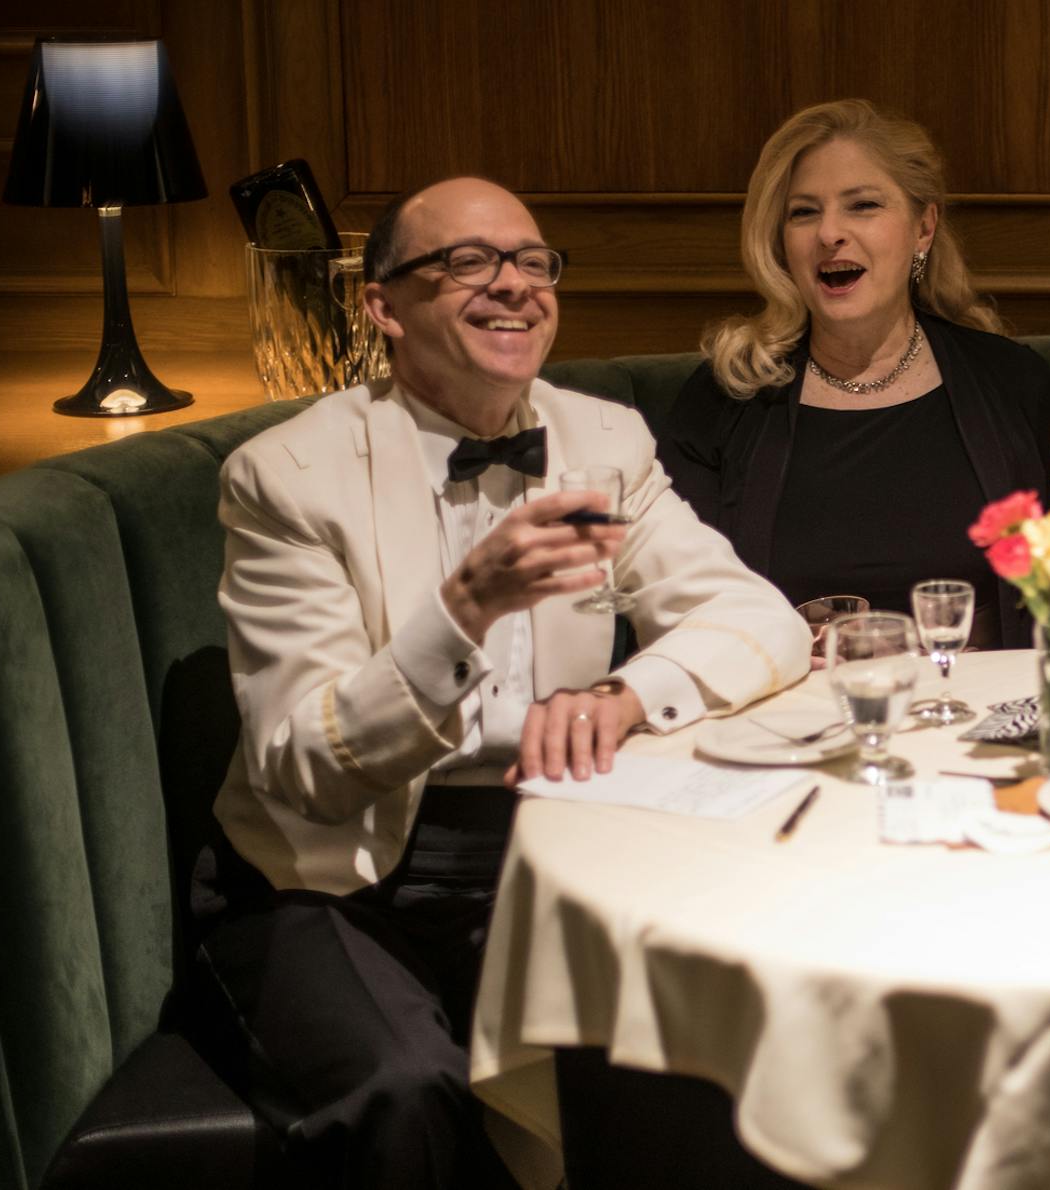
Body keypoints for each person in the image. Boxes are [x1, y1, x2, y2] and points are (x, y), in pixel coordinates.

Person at [193, 177, 811, 1189]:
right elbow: (301, 764)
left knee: (694, 1045)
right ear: (382, 305)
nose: (513, 285)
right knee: (403, 1086)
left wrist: (619, 695)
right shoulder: (286, 476)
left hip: (545, 847)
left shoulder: (602, 443)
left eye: (532, 261)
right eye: (467, 263)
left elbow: (756, 617)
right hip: (329, 874)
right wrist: (462, 611)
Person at [659, 98, 1050, 648]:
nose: (830, 233)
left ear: (923, 228)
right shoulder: (726, 396)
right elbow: (680, 603)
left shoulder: (1013, 382)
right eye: (803, 212)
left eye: (863, 205)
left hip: (976, 710)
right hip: (792, 713)